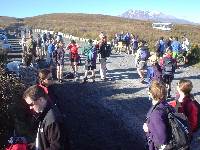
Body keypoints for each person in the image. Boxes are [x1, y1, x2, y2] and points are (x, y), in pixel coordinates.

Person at [23, 85, 70, 150]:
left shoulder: (53, 120)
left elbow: (57, 147)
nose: (30, 107)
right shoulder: (44, 113)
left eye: (31, 104)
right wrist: (30, 146)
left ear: (41, 100)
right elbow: (43, 140)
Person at [143, 80, 171, 150]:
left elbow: (161, 139)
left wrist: (148, 130)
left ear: (151, 94)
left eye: (149, 91)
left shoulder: (156, 114)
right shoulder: (167, 105)